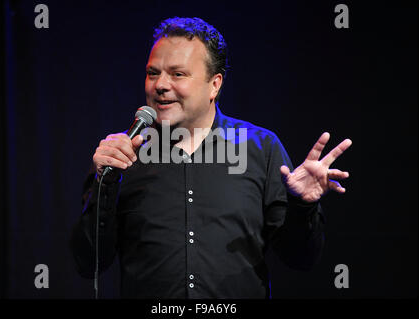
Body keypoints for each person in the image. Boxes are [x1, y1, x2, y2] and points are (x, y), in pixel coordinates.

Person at [70, 17, 352, 298]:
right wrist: (104, 184)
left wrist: (301, 206)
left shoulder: (260, 148)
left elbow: (301, 259)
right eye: (152, 73)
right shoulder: (122, 155)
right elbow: (87, 263)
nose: (160, 85)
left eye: (178, 74)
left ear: (214, 85)